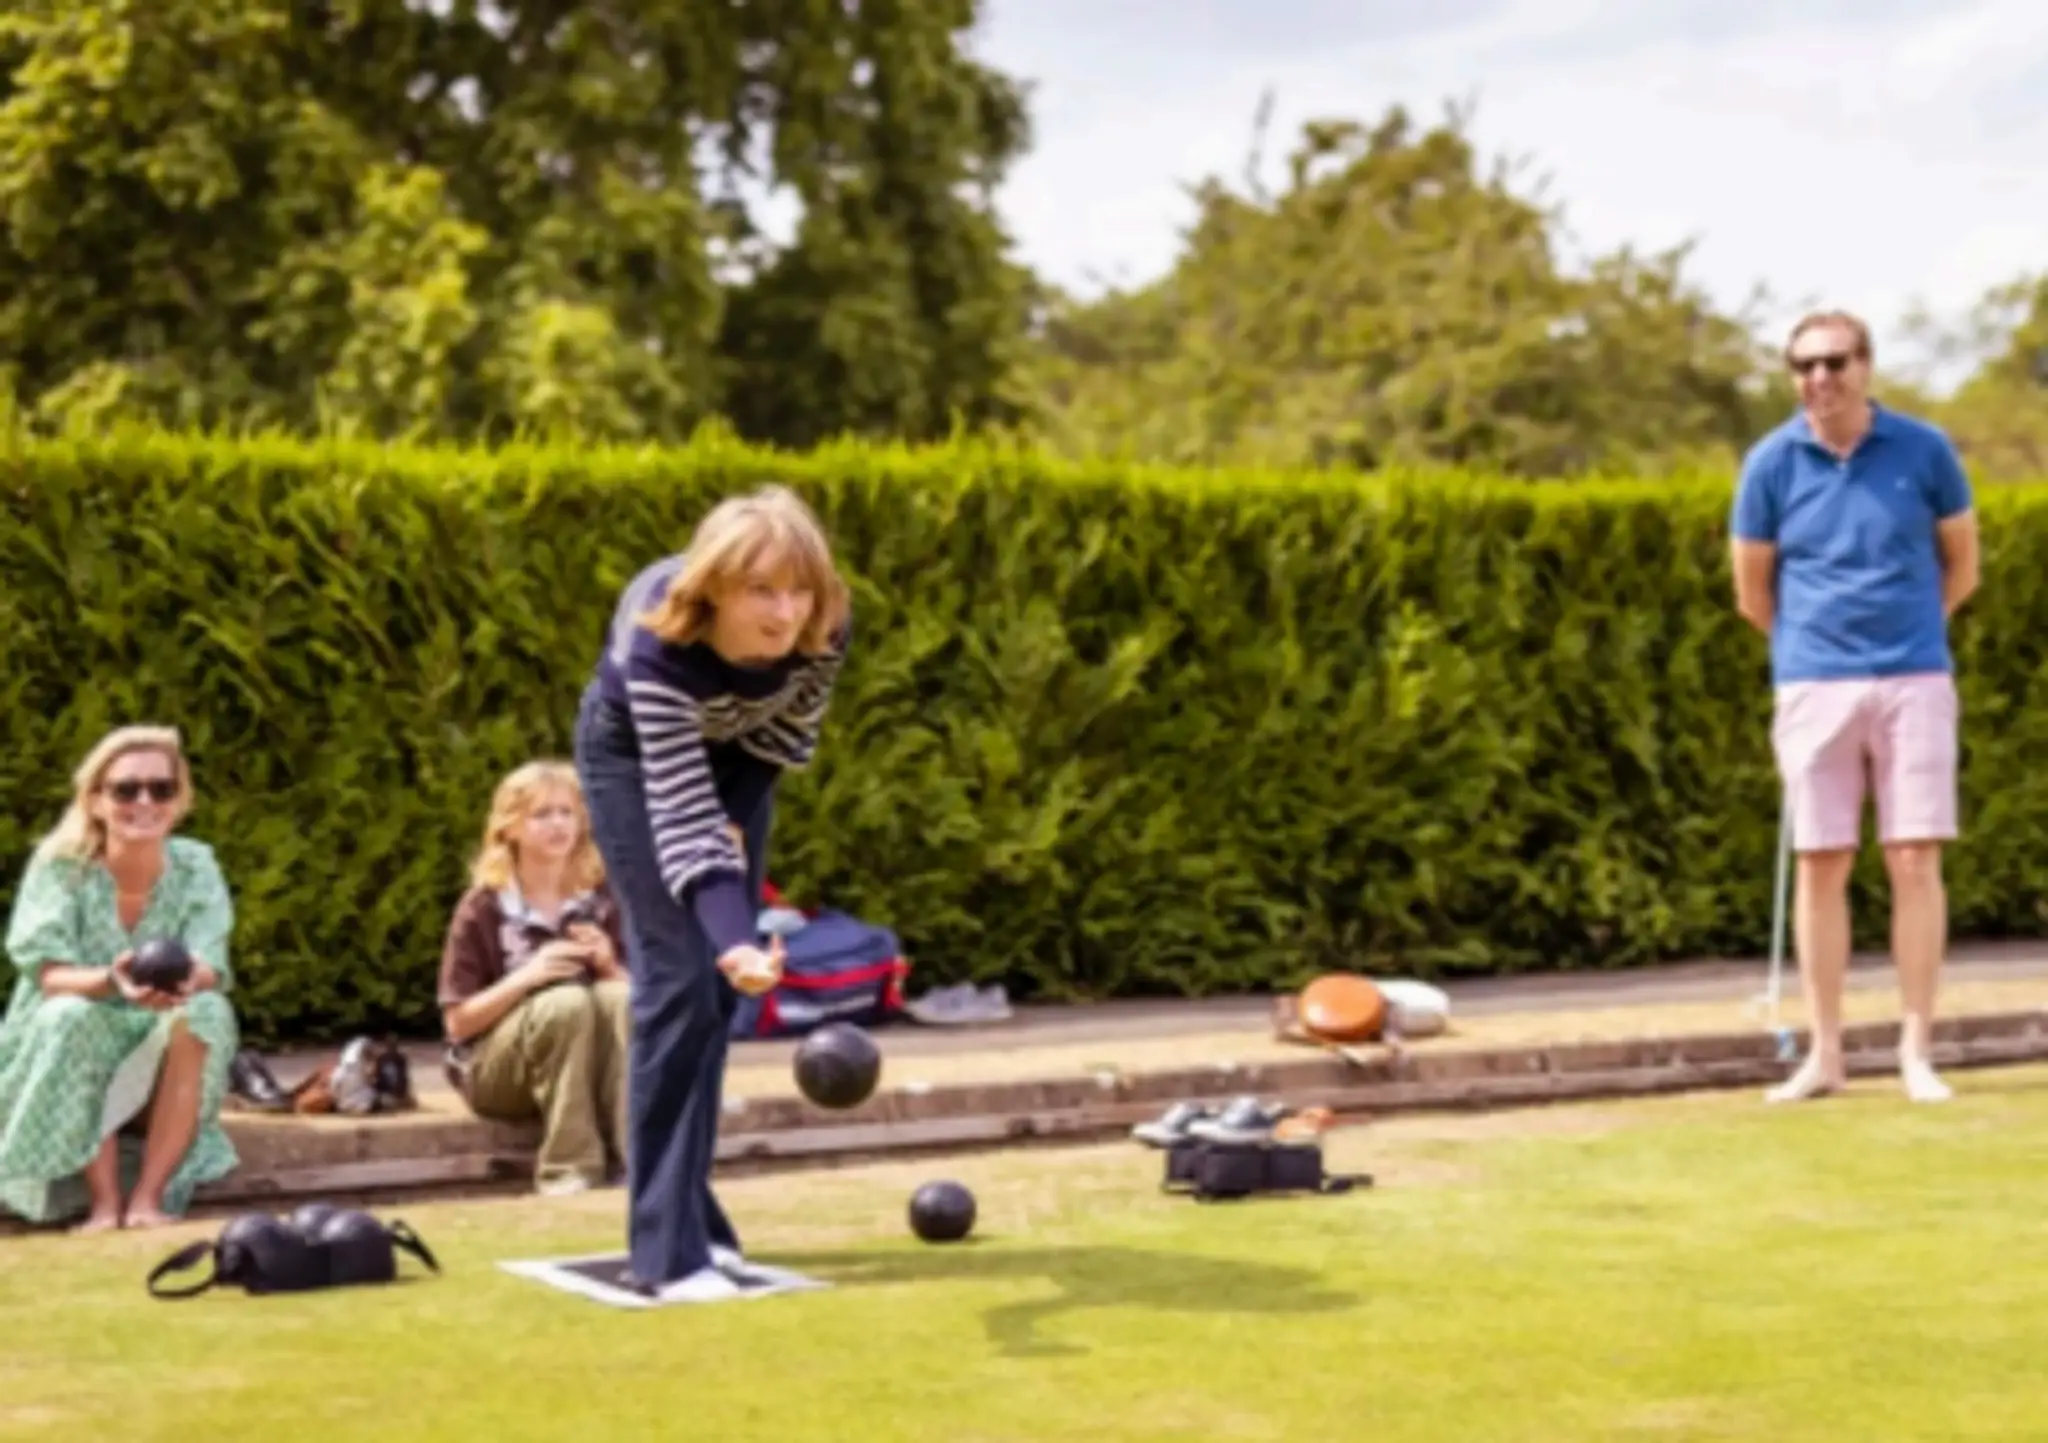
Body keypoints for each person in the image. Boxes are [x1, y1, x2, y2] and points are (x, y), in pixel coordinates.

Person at [574, 483, 852, 1301]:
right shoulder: (658, 643)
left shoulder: (827, 622)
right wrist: (732, 936)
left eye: (798, 588)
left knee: (717, 1000)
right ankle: (665, 1253)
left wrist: (735, 828)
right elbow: (681, 809)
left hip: (741, 760)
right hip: (633, 758)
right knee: (678, 977)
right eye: (761, 590)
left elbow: (782, 737)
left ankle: (697, 1221)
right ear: (716, 588)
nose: (784, 612)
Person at [1728, 310, 1981, 1105]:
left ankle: (1916, 1051)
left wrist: (1908, 637)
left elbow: (1961, 565)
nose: (1821, 378)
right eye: (1804, 365)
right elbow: (1752, 592)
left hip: (1914, 675)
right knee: (1821, 863)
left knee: (1914, 859)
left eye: (1836, 361)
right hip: (1812, 682)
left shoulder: (1924, 451)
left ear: (1866, 364)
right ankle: (1826, 1054)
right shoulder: (1770, 463)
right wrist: (1815, 654)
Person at [0, 725, 242, 1231]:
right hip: (68, 1034)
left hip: (156, 1036)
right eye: (126, 789)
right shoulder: (59, 867)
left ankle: (149, 1200)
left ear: (179, 800)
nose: (145, 801)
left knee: (207, 1011)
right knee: (73, 1015)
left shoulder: (198, 865)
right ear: (94, 800)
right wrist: (112, 981)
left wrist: (182, 984)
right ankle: (104, 1203)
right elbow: (48, 972)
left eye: (162, 788)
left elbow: (211, 964)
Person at [438, 760, 632, 1196]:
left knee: (618, 997)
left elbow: (641, 1002)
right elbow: (457, 1024)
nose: (558, 824)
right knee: (564, 1002)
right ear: (510, 828)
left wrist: (609, 965)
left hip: (584, 1064)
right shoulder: (483, 906)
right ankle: (570, 1170)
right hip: (495, 1073)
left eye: (567, 812)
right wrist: (528, 977)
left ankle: (636, 1161)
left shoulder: (601, 898)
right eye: (541, 814)